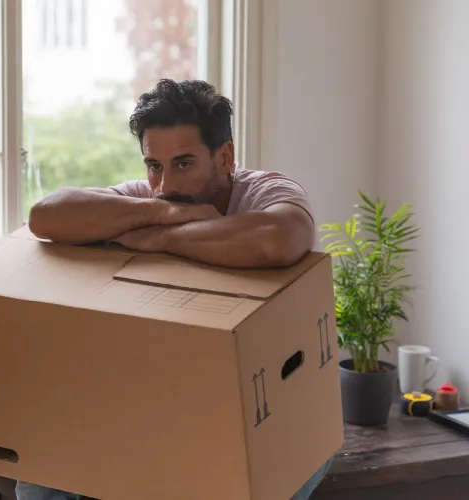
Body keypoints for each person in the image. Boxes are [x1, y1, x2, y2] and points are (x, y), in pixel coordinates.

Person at [21, 79, 333, 500]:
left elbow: (280, 238)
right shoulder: (152, 198)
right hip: (172, 397)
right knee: (41, 482)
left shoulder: (265, 191)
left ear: (225, 157)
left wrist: (163, 238)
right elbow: (46, 217)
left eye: (183, 163)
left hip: (278, 406)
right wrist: (160, 210)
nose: (165, 181)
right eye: (154, 165)